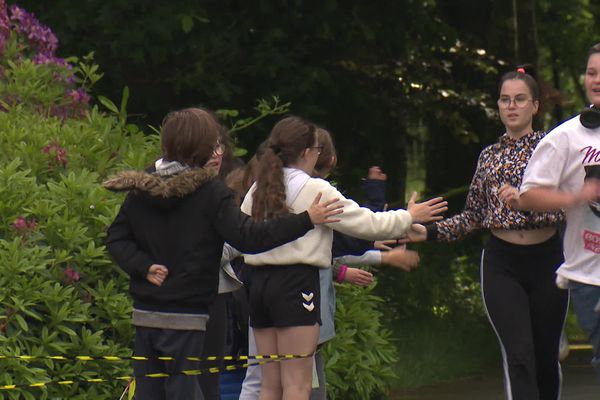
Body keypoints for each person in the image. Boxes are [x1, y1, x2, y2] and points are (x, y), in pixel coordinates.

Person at [103, 107, 343, 400]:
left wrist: (143, 266)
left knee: (150, 391)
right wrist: (306, 219)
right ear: (198, 148)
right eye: (214, 145)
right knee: (194, 389)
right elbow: (250, 237)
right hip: (190, 315)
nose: (218, 152)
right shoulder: (209, 193)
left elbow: (115, 237)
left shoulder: (142, 186)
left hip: (145, 314)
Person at [240, 116, 445, 400]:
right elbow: (368, 224)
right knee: (297, 385)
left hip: (259, 286)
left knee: (269, 385)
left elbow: (241, 237)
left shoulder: (255, 190)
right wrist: (410, 217)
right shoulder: (316, 189)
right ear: (307, 153)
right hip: (295, 287)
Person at [408, 66, 568, 399]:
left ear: (535, 106)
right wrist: (429, 232)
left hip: (548, 262)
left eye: (520, 99)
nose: (512, 106)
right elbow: (474, 216)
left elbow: (567, 205)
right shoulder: (489, 157)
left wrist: (526, 202)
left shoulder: (553, 149)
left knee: (544, 357)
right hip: (502, 263)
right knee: (520, 355)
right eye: (505, 100)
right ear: (498, 105)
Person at [500, 43, 600, 381]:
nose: (596, 80)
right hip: (592, 275)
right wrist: (576, 196)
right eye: (591, 73)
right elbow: (528, 196)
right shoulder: (566, 138)